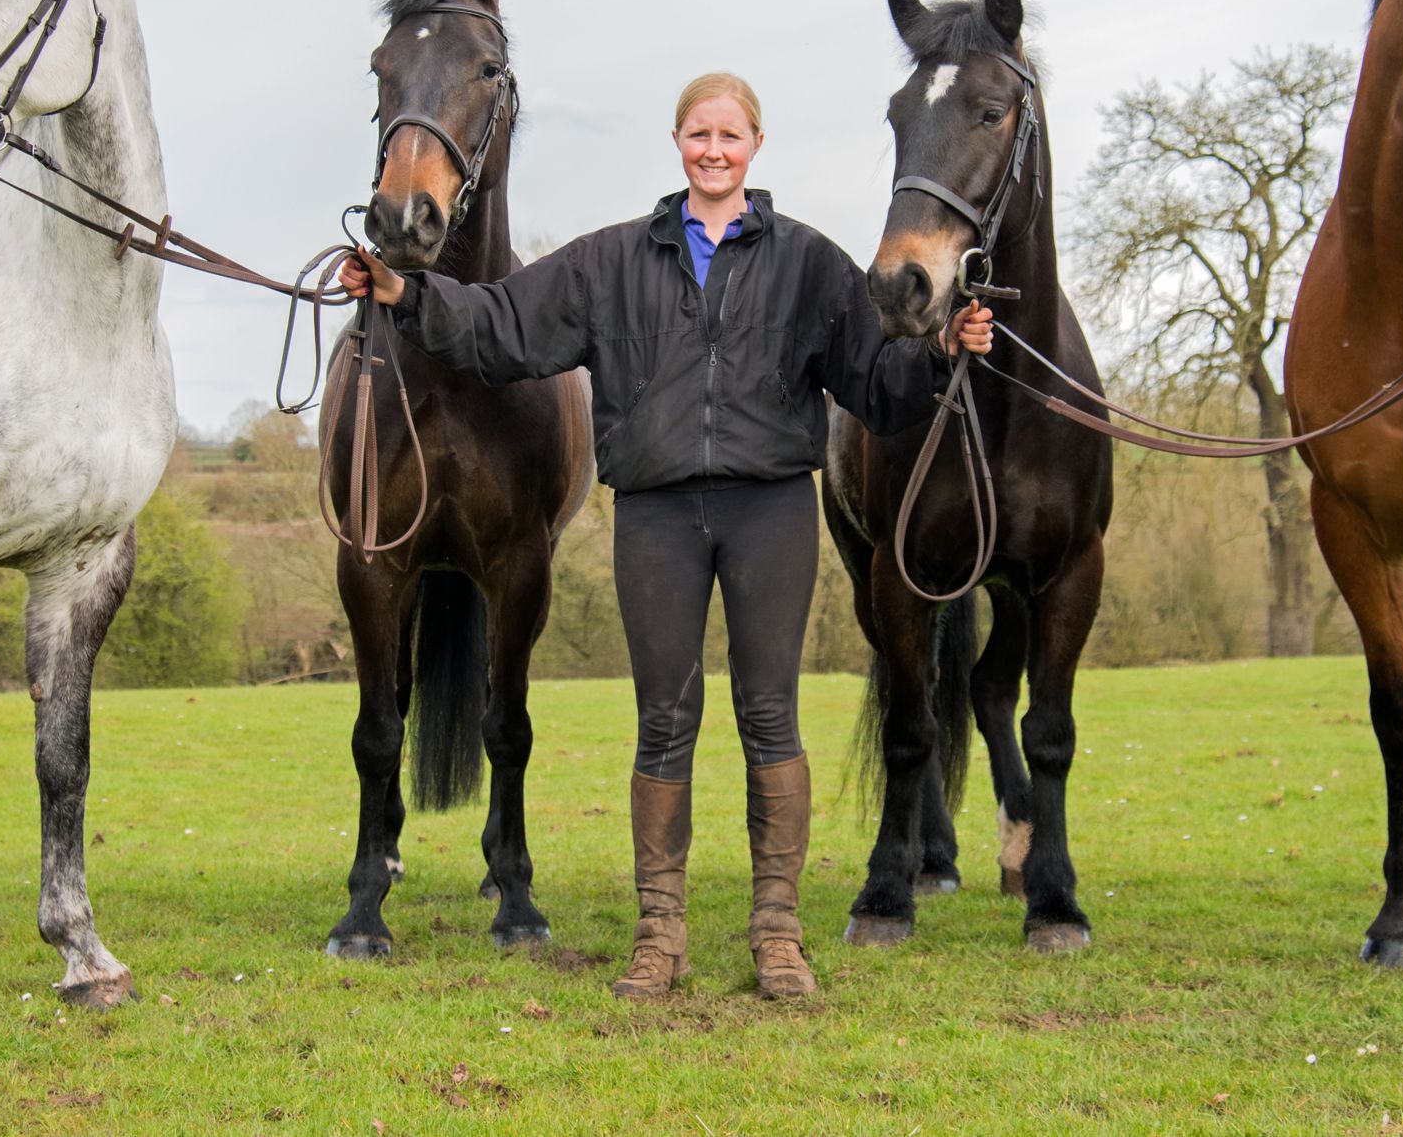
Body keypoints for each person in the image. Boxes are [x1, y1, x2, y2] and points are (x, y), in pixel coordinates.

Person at [343, 71, 992, 1000]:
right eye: (699, 133)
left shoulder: (809, 262)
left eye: (730, 134)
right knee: (664, 723)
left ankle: (777, 935)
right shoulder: (610, 260)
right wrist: (407, 295)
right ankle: (661, 935)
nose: (714, 149)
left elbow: (876, 386)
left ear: (754, 145)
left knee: (771, 716)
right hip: (655, 517)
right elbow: (502, 326)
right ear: (678, 142)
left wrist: (939, 354)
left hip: (769, 510)